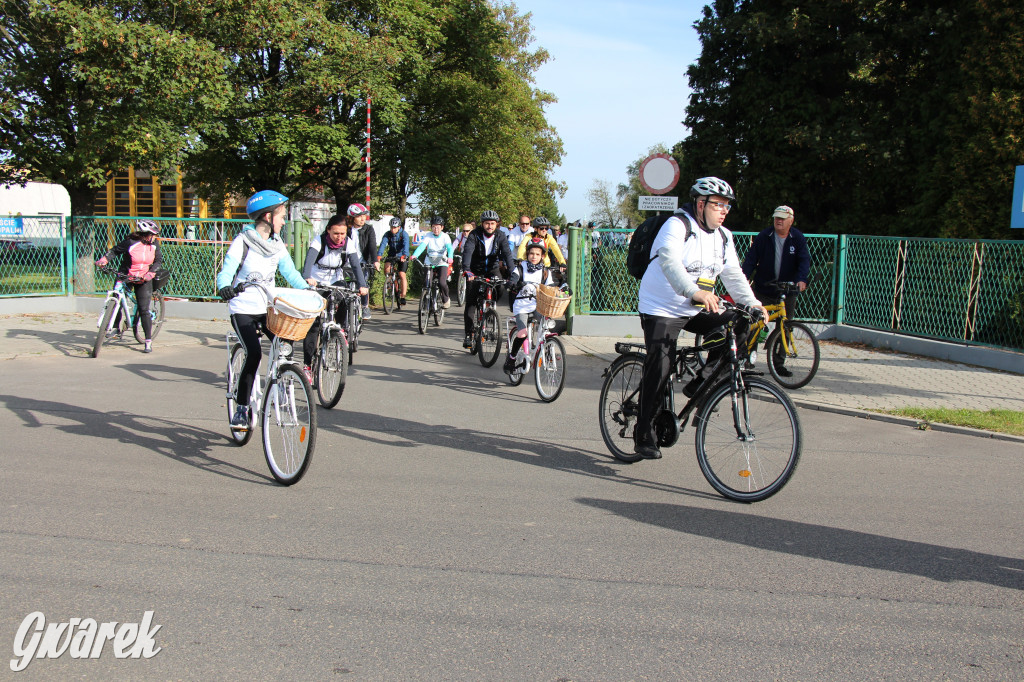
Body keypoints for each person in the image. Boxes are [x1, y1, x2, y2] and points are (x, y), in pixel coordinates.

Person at [634, 177, 768, 460]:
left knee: (743, 322)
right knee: (660, 366)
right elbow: (669, 261)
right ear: (700, 204)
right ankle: (644, 432)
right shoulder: (677, 225)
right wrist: (693, 291)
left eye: (727, 206)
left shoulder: (724, 236)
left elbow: (733, 275)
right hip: (662, 307)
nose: (724, 211)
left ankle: (703, 382)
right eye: (718, 204)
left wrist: (753, 303)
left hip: (696, 306)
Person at [216, 190, 312, 430]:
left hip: (268, 308)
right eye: (281, 216)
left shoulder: (277, 245)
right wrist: (224, 287)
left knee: (285, 346)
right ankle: (241, 408)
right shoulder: (243, 241)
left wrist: (307, 289)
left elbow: (290, 272)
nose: (284, 221)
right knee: (254, 353)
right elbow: (227, 269)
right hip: (243, 308)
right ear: (268, 217)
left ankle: (281, 382)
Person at [740, 205, 811, 376]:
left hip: (787, 290)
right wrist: (743, 278)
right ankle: (747, 359)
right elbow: (751, 259)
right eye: (776, 218)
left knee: (785, 327)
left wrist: (801, 279)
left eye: (782, 218)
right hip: (764, 288)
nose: (779, 221)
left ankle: (778, 364)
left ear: (791, 221)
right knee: (754, 323)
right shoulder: (765, 236)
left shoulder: (797, 237)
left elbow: (804, 260)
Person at [301, 214, 368, 383]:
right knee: (313, 325)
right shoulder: (319, 241)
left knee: (346, 296)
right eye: (336, 233)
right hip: (317, 282)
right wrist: (307, 278)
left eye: (342, 234)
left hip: (336, 280)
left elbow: (355, 265)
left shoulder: (348, 243)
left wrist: (362, 285)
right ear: (328, 230)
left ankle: (341, 330)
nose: (339, 237)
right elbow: (308, 264)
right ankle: (307, 365)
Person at [94, 219, 170, 353]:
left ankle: (148, 340)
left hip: (143, 278)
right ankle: (116, 327)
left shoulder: (154, 244)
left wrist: (151, 273)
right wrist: (104, 260)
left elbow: (158, 260)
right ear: (146, 234)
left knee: (144, 309)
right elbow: (115, 251)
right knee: (116, 297)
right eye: (153, 235)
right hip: (126, 275)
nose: (155, 238)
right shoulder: (131, 242)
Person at [461, 210, 515, 349]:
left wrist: (513, 272)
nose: (490, 226)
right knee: (471, 302)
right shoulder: (474, 235)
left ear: (496, 224)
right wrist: (467, 269)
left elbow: (507, 255)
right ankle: (469, 334)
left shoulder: (501, 236)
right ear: (482, 224)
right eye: (487, 223)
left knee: (500, 287)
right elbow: (468, 252)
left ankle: (490, 310)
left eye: (492, 223)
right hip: (475, 270)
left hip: (492, 268)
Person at [503, 240, 556, 373]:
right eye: (531, 253)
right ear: (527, 254)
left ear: (542, 256)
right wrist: (513, 284)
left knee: (546, 325)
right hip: (521, 305)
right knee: (522, 333)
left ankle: (547, 350)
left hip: (538, 305)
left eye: (537, 254)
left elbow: (550, 287)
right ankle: (511, 358)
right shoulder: (521, 268)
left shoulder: (545, 271)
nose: (534, 256)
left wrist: (562, 289)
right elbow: (514, 278)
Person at [411, 216, 455, 309]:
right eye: (434, 227)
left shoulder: (445, 236)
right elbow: (422, 246)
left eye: (438, 227)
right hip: (429, 261)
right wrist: (415, 255)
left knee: (442, 282)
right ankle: (427, 301)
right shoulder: (428, 236)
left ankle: (446, 299)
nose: (436, 229)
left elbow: (449, 248)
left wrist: (450, 257)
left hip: (442, 262)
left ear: (442, 227)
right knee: (427, 282)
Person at [346, 203, 378, 319]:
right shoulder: (346, 229)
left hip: (362, 262)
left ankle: (364, 306)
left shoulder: (368, 229)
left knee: (363, 283)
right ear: (352, 217)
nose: (363, 218)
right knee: (345, 286)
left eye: (364, 215)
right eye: (359, 216)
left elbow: (372, 246)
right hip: (347, 263)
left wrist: (375, 260)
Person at [378, 217, 411, 305]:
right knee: (387, 268)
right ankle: (390, 282)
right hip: (392, 255)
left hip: (402, 256)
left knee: (402, 274)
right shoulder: (387, 234)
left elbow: (406, 245)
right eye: (391, 227)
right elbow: (383, 244)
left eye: (395, 227)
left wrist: (404, 255)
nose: (393, 229)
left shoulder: (404, 234)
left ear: (399, 227)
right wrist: (379, 255)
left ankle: (403, 296)